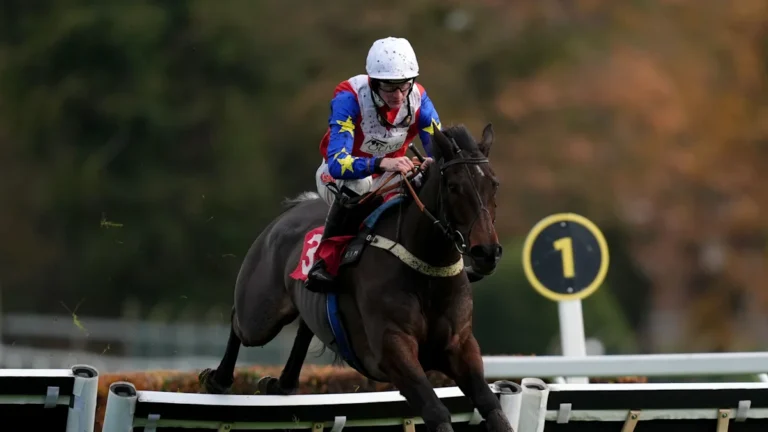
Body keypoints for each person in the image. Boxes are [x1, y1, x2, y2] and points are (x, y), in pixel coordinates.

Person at [305, 36, 442, 291]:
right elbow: (337, 163)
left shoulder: (419, 98)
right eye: (390, 88)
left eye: (404, 86)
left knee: (433, 182)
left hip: (389, 176)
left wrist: (430, 164)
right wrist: (383, 163)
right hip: (338, 178)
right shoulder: (349, 97)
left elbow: (439, 150)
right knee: (359, 184)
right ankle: (325, 262)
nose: (399, 96)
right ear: (373, 82)